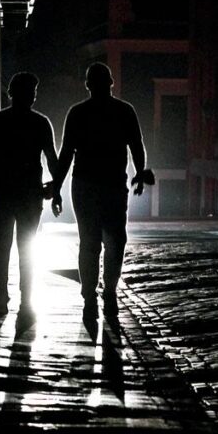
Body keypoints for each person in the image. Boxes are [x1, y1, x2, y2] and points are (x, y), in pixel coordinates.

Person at [52, 62, 154, 320]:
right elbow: (136, 146)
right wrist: (139, 174)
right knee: (115, 240)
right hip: (113, 185)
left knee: (89, 241)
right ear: (111, 83)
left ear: (88, 85)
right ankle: (109, 290)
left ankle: (89, 294)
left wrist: (56, 187)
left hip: (84, 184)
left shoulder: (77, 113)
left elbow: (66, 154)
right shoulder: (125, 111)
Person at [0, 72, 60, 319]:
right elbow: (52, 160)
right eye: (32, 91)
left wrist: (0, 170)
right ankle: (26, 299)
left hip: (1, 190)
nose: (33, 96)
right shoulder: (41, 123)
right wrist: (55, 189)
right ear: (24, 94)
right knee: (27, 246)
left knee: (1, 244)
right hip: (29, 193)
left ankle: (2, 294)